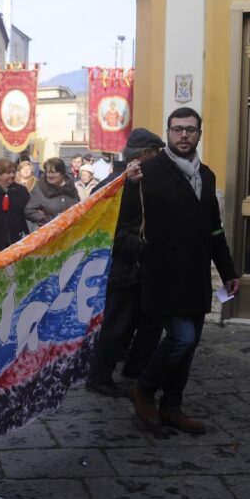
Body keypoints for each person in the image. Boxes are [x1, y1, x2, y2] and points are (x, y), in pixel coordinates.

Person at [122, 107, 239, 434]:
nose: (184, 135)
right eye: (177, 129)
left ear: (199, 133)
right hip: (163, 273)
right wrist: (129, 187)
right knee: (181, 337)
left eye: (190, 129)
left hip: (197, 274)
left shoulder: (208, 174)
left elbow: (214, 229)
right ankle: (144, 389)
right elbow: (127, 216)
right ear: (169, 133)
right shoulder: (148, 171)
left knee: (191, 343)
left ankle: (172, 406)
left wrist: (228, 270)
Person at [85, 128, 165, 397]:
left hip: (133, 268)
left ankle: (131, 368)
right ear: (144, 155)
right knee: (115, 327)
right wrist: (142, 250)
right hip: (121, 269)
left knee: (136, 323)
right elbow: (106, 230)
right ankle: (98, 377)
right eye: (156, 153)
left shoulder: (134, 180)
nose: (159, 157)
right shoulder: (114, 185)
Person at [24, 157, 79, 227]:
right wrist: (45, 219)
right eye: (48, 172)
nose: (50, 176)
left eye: (53, 172)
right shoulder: (40, 188)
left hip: (71, 230)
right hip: (50, 232)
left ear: (62, 173)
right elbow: (29, 211)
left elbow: (78, 207)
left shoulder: (71, 187)